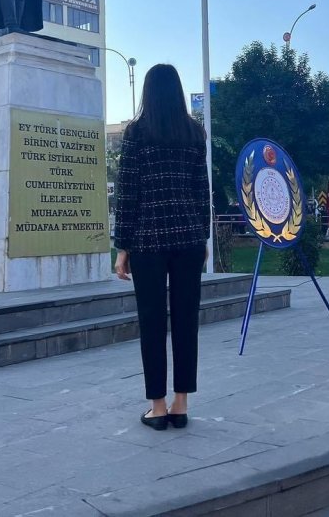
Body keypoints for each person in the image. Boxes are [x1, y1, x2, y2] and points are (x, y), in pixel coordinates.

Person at [113, 64, 211, 431]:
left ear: (148, 93)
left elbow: (129, 193)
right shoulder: (193, 132)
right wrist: (202, 236)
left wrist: (122, 247)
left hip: (148, 241)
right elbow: (202, 191)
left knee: (152, 322)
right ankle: (181, 404)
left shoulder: (137, 133)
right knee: (187, 321)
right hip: (187, 239)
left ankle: (157, 406)